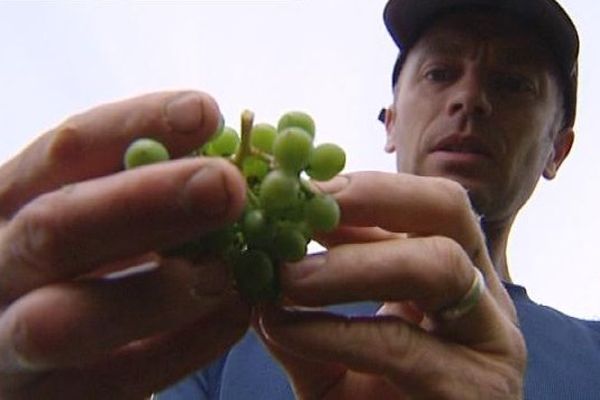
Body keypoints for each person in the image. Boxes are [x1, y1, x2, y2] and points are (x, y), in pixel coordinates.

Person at [0, 2, 597, 400]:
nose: (471, 99)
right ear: (389, 122)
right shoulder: (222, 333)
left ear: (557, 151)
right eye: (440, 73)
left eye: (513, 83)